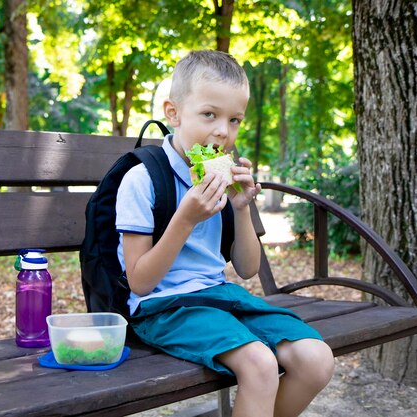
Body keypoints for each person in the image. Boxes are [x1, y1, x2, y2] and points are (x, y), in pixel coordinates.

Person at [115, 50, 334, 417]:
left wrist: (242, 207)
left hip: (220, 297)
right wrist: (184, 219)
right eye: (209, 115)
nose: (223, 132)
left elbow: (248, 269)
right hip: (163, 307)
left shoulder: (221, 177)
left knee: (316, 358)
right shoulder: (142, 179)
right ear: (173, 113)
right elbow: (139, 282)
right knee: (260, 365)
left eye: (234, 120)